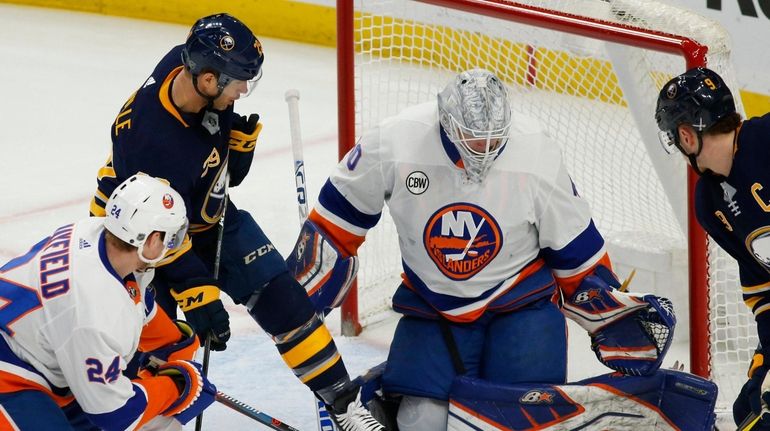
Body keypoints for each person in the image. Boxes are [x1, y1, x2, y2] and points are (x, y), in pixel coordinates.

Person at [289, 68, 715, 430]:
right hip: (434, 306)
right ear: (447, 123)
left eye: (494, 140)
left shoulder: (535, 151)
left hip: (522, 307)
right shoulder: (394, 143)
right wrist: (298, 303)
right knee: (420, 420)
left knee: (517, 421)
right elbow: (333, 229)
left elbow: (576, 254)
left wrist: (612, 320)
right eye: (474, 139)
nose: (485, 150)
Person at [89, 13, 383, 430]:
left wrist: (234, 155)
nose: (244, 90)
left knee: (286, 300)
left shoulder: (189, 70)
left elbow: (202, 166)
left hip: (205, 219)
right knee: (163, 347)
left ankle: (345, 406)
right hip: (145, 243)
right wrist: (195, 289)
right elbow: (157, 233)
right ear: (208, 81)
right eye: (239, 80)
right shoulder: (151, 141)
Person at [0, 174, 215, 430]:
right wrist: (179, 385)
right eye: (170, 237)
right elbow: (116, 416)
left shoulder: (92, 232)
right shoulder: (94, 311)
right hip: (11, 379)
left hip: (37, 355)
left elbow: (131, 295)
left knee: (159, 422)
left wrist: (171, 343)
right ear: (150, 240)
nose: (172, 245)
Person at [656, 67, 770, 429]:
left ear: (687, 136)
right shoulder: (710, 203)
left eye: (675, 136)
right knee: (751, 411)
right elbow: (762, 289)